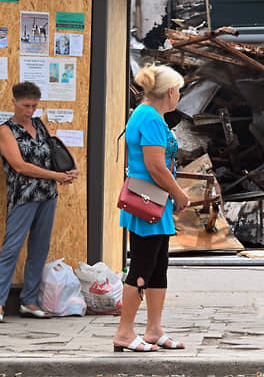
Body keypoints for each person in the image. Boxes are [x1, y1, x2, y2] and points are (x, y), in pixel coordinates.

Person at [113, 65, 191, 352]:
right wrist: (179, 194)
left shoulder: (145, 115)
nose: (179, 96)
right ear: (170, 92)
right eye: (179, 91)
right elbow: (156, 166)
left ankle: (153, 329)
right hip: (149, 202)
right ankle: (124, 332)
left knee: (158, 268)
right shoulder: (151, 119)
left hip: (155, 202)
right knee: (142, 268)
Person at [0, 82, 79, 323]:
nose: (30, 111)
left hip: (47, 195)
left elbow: (52, 149)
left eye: (34, 106)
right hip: (23, 196)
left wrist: (69, 169)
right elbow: (20, 166)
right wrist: (56, 176)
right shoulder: (6, 130)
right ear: (14, 102)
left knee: (39, 249)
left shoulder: (39, 124)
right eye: (26, 105)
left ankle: (29, 301)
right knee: (12, 248)